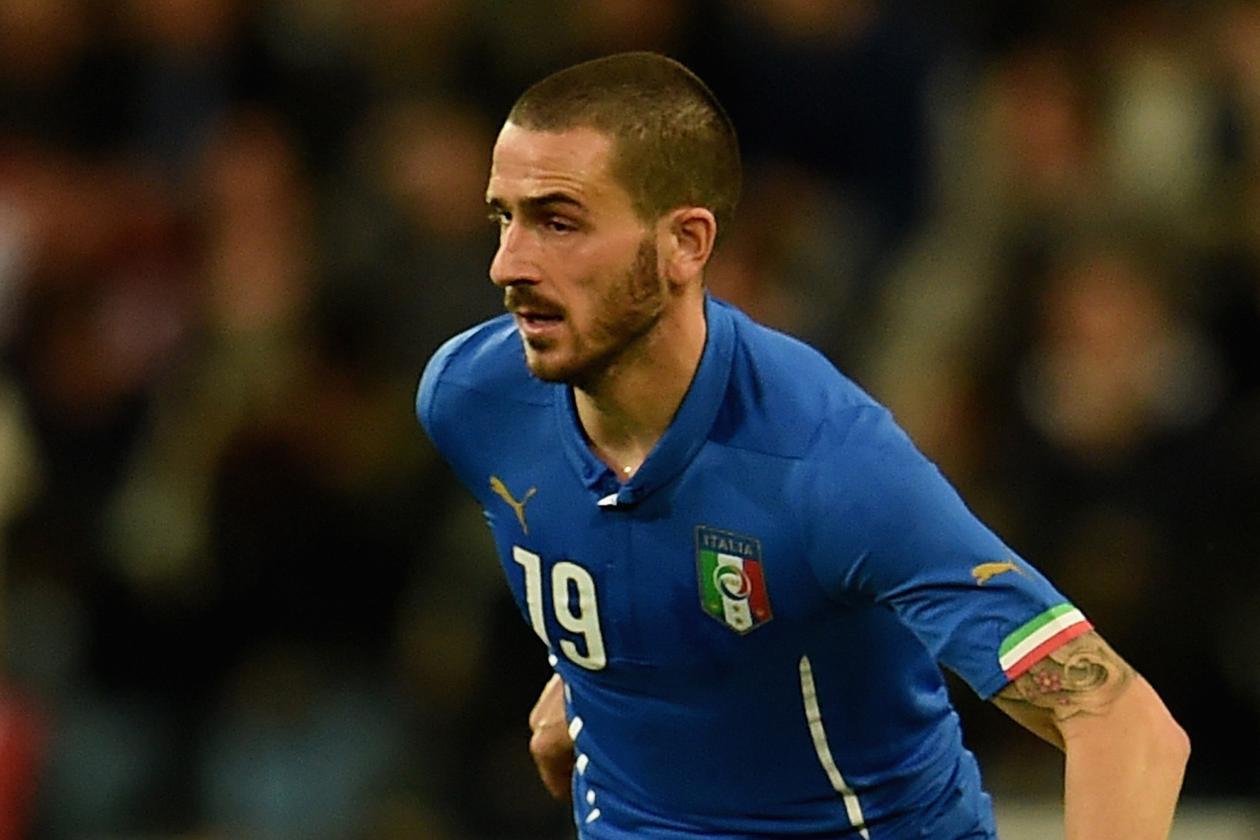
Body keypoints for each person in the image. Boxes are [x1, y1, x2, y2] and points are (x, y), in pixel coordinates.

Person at [416, 51, 1189, 839]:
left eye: (559, 222)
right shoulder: (472, 399)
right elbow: (617, 551)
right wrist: (592, 674)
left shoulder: (824, 463)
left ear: (685, 243)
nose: (508, 264)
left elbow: (1123, 724)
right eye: (504, 218)